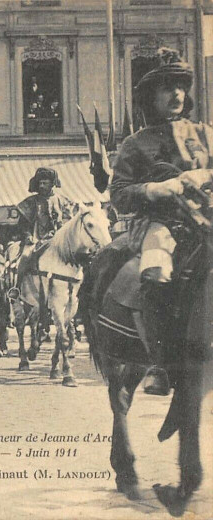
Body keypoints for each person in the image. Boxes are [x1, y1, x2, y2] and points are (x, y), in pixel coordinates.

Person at [109, 48, 213, 396]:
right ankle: (160, 361)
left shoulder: (206, 133)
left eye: (181, 86)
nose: (177, 94)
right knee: (155, 271)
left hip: (207, 217)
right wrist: (156, 188)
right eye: (167, 87)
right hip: (162, 225)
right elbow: (119, 194)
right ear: (150, 96)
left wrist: (204, 174)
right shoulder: (134, 144)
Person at [15, 167, 77, 279]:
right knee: (25, 257)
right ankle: (17, 288)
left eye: (45, 183)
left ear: (52, 184)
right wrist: (28, 236)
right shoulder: (30, 202)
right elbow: (23, 224)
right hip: (36, 240)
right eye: (40, 183)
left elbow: (69, 222)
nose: (41, 186)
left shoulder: (63, 201)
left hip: (58, 241)